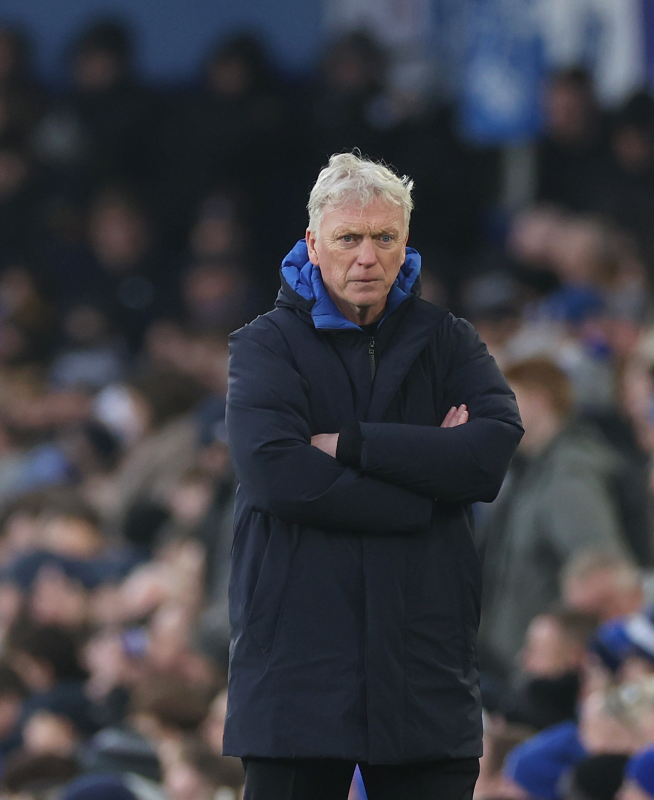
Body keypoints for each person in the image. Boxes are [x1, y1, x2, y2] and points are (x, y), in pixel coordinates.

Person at [224, 153, 523, 798]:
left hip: (424, 668)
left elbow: (489, 452)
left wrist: (352, 444)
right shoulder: (264, 347)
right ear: (313, 243)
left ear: (405, 242)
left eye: (384, 238)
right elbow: (279, 474)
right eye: (349, 238)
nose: (368, 257)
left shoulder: (451, 341)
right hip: (297, 671)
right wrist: (420, 492)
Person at [478, 357, 628, 677]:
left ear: (539, 400)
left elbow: (599, 574)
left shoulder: (569, 476)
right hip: (515, 666)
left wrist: (559, 654)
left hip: (544, 675)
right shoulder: (531, 469)